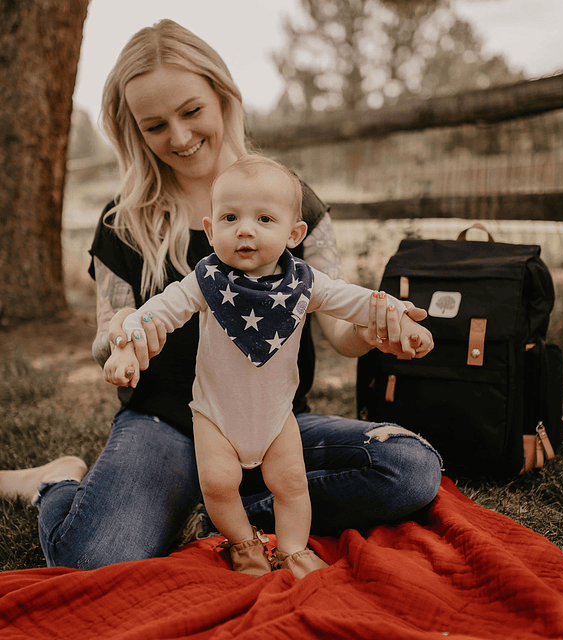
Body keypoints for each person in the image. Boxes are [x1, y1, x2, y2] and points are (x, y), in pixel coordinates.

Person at [0, 19, 442, 572]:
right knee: (96, 555)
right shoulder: (122, 221)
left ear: (222, 96)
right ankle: (57, 481)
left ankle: (217, 511)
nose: (179, 138)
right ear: (133, 129)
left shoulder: (292, 201)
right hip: (164, 424)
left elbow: (340, 334)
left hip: (273, 417)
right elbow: (106, 332)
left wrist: (374, 331)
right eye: (155, 125)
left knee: (409, 468)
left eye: (190, 112)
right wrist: (121, 343)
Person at [104, 154, 433, 578]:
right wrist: (127, 346)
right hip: (215, 415)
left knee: (291, 484)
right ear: (210, 229)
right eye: (229, 218)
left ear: (294, 233)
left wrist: (399, 318)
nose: (245, 229)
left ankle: (292, 549)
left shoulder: (306, 283)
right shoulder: (205, 282)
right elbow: (157, 312)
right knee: (219, 484)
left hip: (277, 415)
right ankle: (242, 542)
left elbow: (355, 300)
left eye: (263, 219)